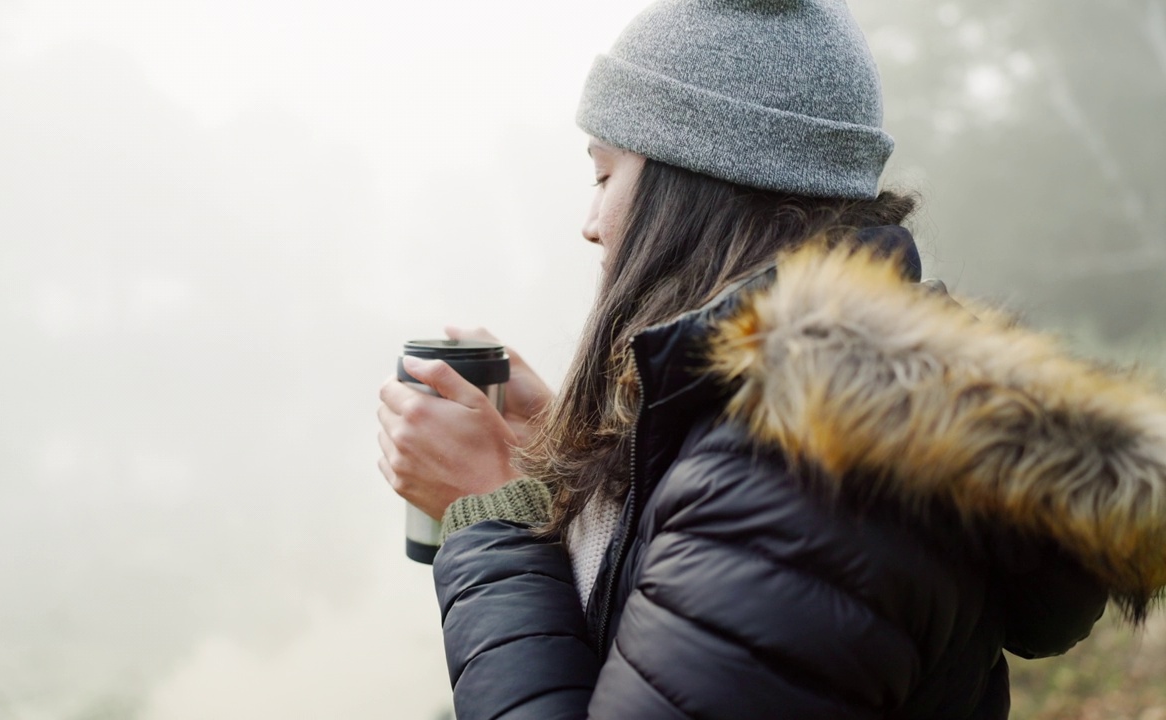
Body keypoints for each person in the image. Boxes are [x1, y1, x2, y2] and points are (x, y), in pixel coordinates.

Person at [376, 1, 1166, 717]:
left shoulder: (797, 480)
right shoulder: (822, 427)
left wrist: (491, 520)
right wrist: (571, 468)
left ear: (694, 185)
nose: (591, 223)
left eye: (605, 173)